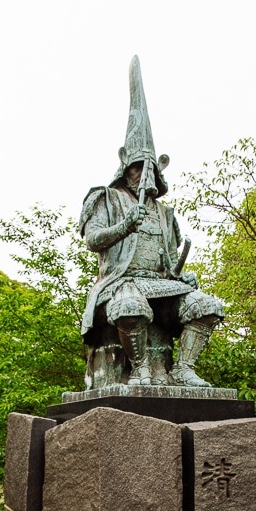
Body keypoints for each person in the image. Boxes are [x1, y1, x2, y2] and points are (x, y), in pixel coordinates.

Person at [79, 56, 223, 389]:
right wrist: (125, 226)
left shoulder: (165, 213)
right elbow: (93, 240)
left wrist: (180, 273)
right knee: (130, 305)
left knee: (205, 304)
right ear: (124, 168)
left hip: (161, 286)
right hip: (118, 283)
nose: (140, 176)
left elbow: (167, 263)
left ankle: (184, 369)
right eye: (134, 168)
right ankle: (141, 369)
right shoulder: (105, 197)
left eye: (147, 170)